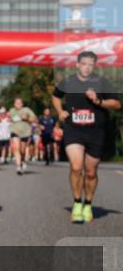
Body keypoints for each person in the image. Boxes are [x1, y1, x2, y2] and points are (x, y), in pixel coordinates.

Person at [52, 51, 121, 224]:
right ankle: (77, 203)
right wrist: (60, 111)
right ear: (77, 65)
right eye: (84, 64)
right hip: (73, 129)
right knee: (76, 167)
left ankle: (88, 204)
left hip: (96, 131)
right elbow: (55, 96)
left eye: (90, 64)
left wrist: (98, 101)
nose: (87, 67)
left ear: (94, 66)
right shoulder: (68, 81)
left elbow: (117, 104)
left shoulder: (102, 82)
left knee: (91, 172)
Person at [8, 97, 37, 176]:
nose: (18, 104)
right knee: (16, 148)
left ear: (22, 104)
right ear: (14, 104)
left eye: (19, 103)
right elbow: (10, 118)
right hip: (15, 131)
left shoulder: (26, 110)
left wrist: (27, 118)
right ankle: (18, 167)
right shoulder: (11, 110)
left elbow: (34, 118)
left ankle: (22, 161)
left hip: (25, 132)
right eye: (16, 103)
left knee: (22, 151)